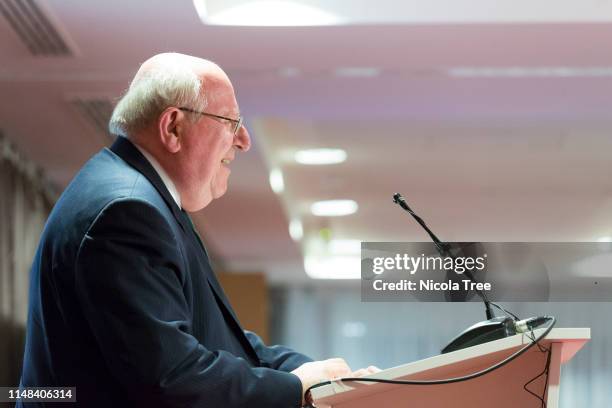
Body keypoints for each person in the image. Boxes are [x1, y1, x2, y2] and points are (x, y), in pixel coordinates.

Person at [18, 53, 378, 407]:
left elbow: (213, 341)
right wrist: (295, 387)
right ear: (173, 126)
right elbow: (170, 379)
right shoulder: (127, 211)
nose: (244, 141)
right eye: (231, 122)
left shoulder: (144, 201)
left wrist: (316, 376)